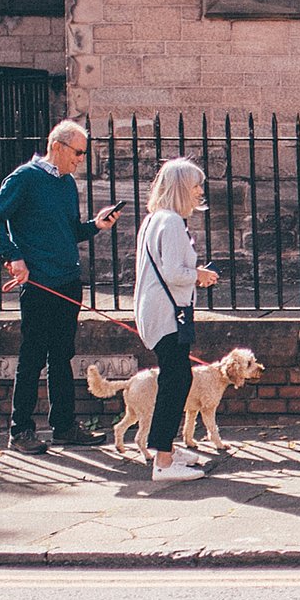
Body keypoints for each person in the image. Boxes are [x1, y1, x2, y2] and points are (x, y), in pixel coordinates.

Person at [0, 118, 122, 453]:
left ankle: (64, 427)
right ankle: (21, 431)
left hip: (68, 281)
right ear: (56, 146)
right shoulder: (25, 178)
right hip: (41, 283)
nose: (80, 159)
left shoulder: (68, 184)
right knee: (32, 357)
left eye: (84, 154)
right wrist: (14, 257)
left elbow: (70, 231)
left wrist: (97, 226)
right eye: (78, 152)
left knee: (62, 356)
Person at [135, 157, 220, 483]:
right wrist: (199, 275)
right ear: (182, 187)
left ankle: (164, 447)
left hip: (158, 310)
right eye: (196, 185)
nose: (200, 191)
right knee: (176, 380)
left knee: (177, 377)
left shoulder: (155, 219)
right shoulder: (170, 222)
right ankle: (165, 461)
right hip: (167, 313)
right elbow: (172, 272)